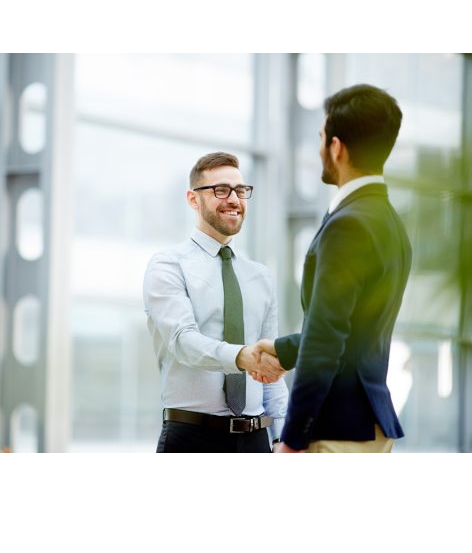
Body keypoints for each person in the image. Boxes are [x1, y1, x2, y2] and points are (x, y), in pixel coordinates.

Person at [252, 84, 412, 453]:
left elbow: (327, 340)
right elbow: (354, 332)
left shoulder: (348, 225)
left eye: (321, 137)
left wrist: (292, 439)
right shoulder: (389, 221)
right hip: (367, 427)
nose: (319, 148)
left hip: (338, 431)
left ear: (336, 148)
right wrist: (282, 348)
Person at [143, 152, 288, 453]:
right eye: (221, 190)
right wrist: (242, 356)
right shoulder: (168, 266)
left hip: (256, 440)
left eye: (240, 190)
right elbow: (183, 341)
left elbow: (270, 371)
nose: (234, 199)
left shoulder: (260, 276)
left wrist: (283, 436)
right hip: (192, 438)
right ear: (193, 199)